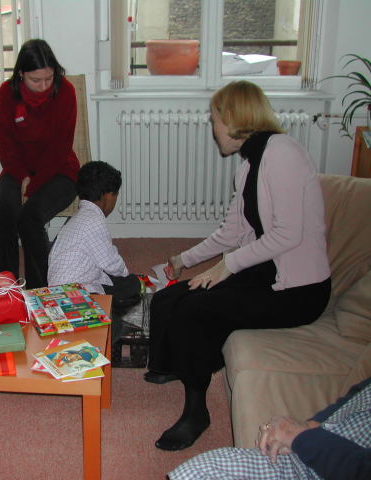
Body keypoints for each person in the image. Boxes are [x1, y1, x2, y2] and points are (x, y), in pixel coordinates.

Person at [146, 80, 332, 451]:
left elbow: (288, 234)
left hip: (298, 290)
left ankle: (196, 412)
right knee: (168, 299)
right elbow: (230, 233)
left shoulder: (283, 153)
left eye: (214, 118)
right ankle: (178, 364)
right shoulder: (248, 167)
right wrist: (183, 260)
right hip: (265, 271)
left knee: (195, 310)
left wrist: (227, 266)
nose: (212, 126)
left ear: (233, 119)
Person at [0, 38, 79, 289]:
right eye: (35, 80)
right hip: (17, 169)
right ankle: (6, 286)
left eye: (49, 78)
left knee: (30, 217)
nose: (43, 86)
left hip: (59, 170)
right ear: (21, 74)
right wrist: (22, 177)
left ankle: (38, 290)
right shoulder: (7, 93)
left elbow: (60, 148)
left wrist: (32, 187)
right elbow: (5, 145)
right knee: (3, 217)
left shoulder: (66, 92)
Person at [169, 377, 371, 480]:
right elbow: (356, 394)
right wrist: (310, 426)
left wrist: (299, 437)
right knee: (199, 471)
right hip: (320, 445)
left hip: (333, 466)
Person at [48, 161, 142, 343]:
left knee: (123, 285)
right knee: (131, 286)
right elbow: (112, 264)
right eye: (115, 196)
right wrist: (126, 275)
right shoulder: (94, 221)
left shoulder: (77, 218)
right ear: (107, 196)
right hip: (74, 297)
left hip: (59, 291)